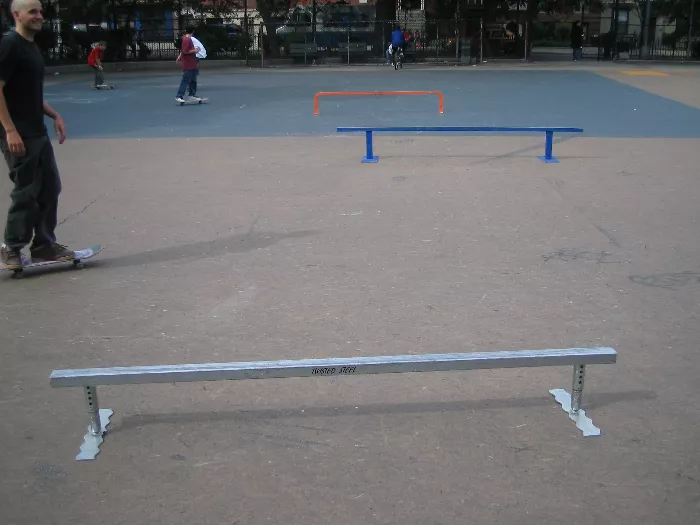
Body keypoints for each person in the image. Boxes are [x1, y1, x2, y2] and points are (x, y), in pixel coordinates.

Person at [0, 0, 72, 270]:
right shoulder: (10, 45)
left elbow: (30, 93)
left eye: (41, 11)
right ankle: (11, 247)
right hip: (19, 134)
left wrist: (54, 115)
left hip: (36, 131)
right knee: (26, 191)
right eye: (33, 12)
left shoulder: (30, 47)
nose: (39, 16)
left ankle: (43, 245)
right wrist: (9, 130)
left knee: (50, 187)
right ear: (16, 15)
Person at [175, 26, 201, 103]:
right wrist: (195, 51)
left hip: (192, 63)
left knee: (193, 80)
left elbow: (183, 51)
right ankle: (179, 96)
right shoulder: (187, 40)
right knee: (185, 80)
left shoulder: (188, 39)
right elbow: (185, 51)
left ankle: (192, 95)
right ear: (192, 31)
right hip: (188, 64)